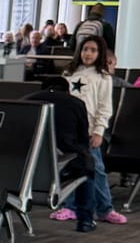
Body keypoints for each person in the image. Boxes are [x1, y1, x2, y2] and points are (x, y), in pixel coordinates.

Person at [49, 34, 126, 231]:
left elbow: (105, 107)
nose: (88, 53)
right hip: (68, 131)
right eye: (85, 49)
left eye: (93, 50)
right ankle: (69, 207)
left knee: (96, 170)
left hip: (89, 131)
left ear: (99, 53)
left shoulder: (103, 77)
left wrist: (99, 131)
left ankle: (105, 209)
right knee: (68, 169)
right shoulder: (69, 72)